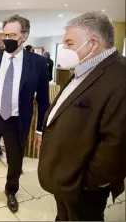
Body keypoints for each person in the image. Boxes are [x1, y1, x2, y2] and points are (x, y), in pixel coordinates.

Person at [37, 12, 126, 221]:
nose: (65, 49)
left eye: (69, 43)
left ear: (93, 43)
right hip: (66, 175)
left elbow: (117, 141)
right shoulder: (84, 68)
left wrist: (89, 181)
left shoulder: (119, 76)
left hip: (84, 184)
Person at [0, 14, 49, 215]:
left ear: (24, 35)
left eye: (12, 34)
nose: (7, 38)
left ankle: (11, 191)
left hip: (17, 120)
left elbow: (43, 100)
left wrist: (41, 129)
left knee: (15, 160)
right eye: (5, 34)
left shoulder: (38, 63)